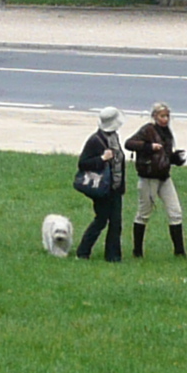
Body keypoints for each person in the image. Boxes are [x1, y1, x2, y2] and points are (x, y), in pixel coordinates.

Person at [126, 102, 187, 257]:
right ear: (154, 116)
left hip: (164, 178)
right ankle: (137, 252)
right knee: (144, 214)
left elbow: (165, 156)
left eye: (167, 116)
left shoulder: (167, 132)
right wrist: (148, 147)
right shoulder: (148, 129)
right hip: (148, 178)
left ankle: (179, 252)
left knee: (176, 212)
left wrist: (176, 158)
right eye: (162, 116)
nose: (165, 119)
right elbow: (129, 143)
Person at [73, 107, 127, 263]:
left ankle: (113, 257)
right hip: (102, 189)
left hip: (115, 188)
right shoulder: (95, 141)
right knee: (101, 220)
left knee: (116, 223)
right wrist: (102, 158)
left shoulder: (114, 137)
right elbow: (83, 164)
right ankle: (83, 252)